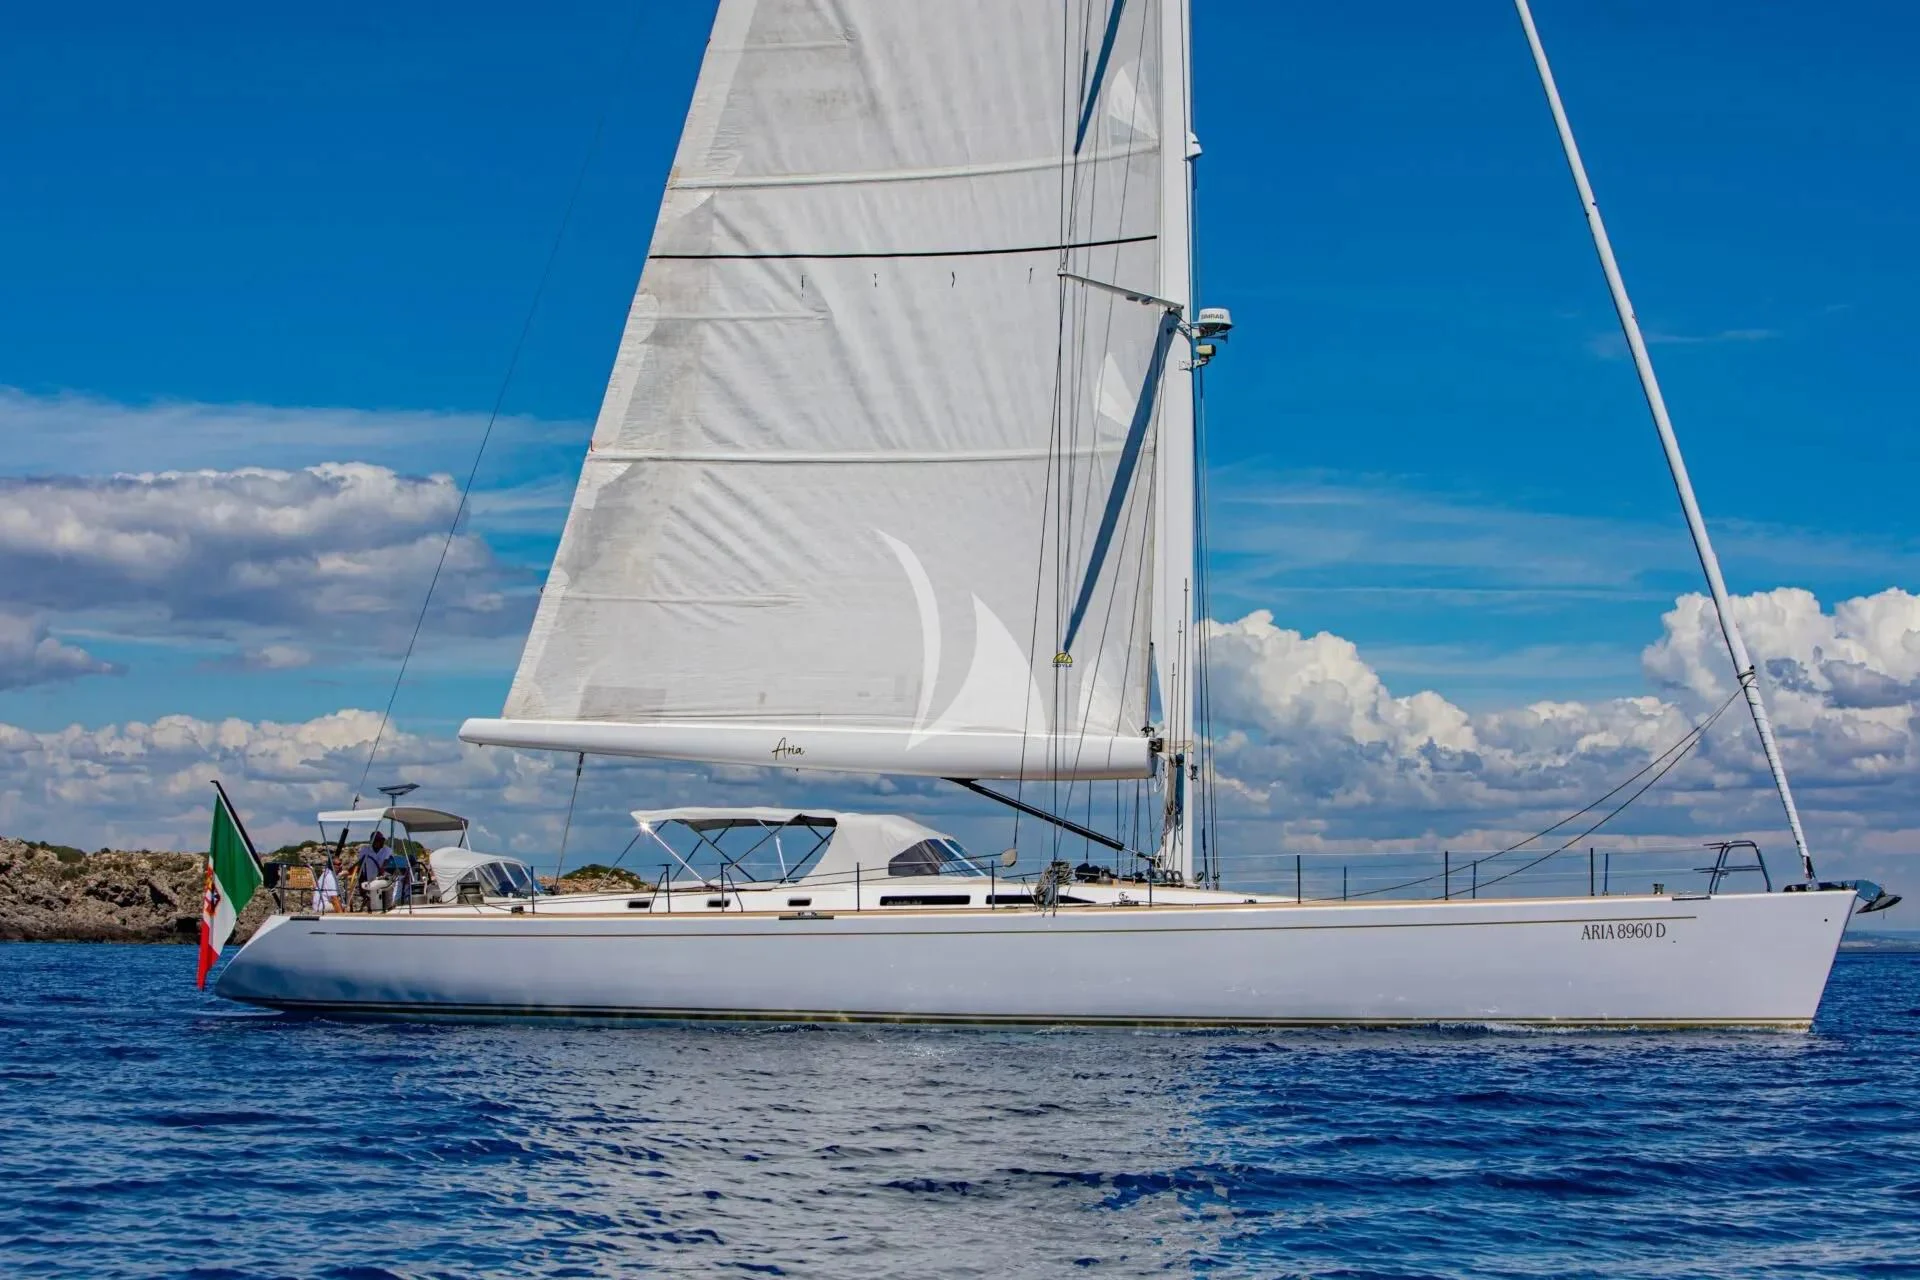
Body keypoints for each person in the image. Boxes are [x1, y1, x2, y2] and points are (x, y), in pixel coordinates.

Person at [357, 831, 390, 912]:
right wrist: (360, 883)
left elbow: (386, 863)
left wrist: (382, 870)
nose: (382, 842)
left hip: (382, 881)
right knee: (370, 904)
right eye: (379, 840)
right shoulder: (365, 850)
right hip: (368, 881)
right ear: (374, 841)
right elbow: (360, 867)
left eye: (382, 840)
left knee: (381, 904)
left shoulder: (387, 850)